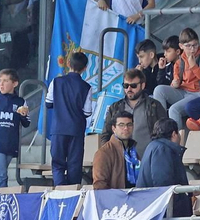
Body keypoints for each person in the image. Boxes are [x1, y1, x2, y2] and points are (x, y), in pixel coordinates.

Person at [47, 51, 94, 186]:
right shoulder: (86, 87)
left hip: (58, 128)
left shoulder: (56, 82)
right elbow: (87, 112)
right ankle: (74, 192)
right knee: (74, 164)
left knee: (57, 163)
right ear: (85, 68)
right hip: (77, 130)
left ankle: (60, 189)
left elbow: (48, 103)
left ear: (68, 64)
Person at [138, 118, 191, 216]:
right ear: (174, 134)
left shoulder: (153, 146)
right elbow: (163, 183)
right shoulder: (162, 149)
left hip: (154, 209)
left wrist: (189, 192)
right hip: (164, 212)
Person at [93, 111, 141, 190]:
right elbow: (100, 185)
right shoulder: (104, 153)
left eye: (129, 124)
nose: (126, 128)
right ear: (113, 128)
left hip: (136, 197)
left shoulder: (133, 151)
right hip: (116, 200)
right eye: (121, 125)